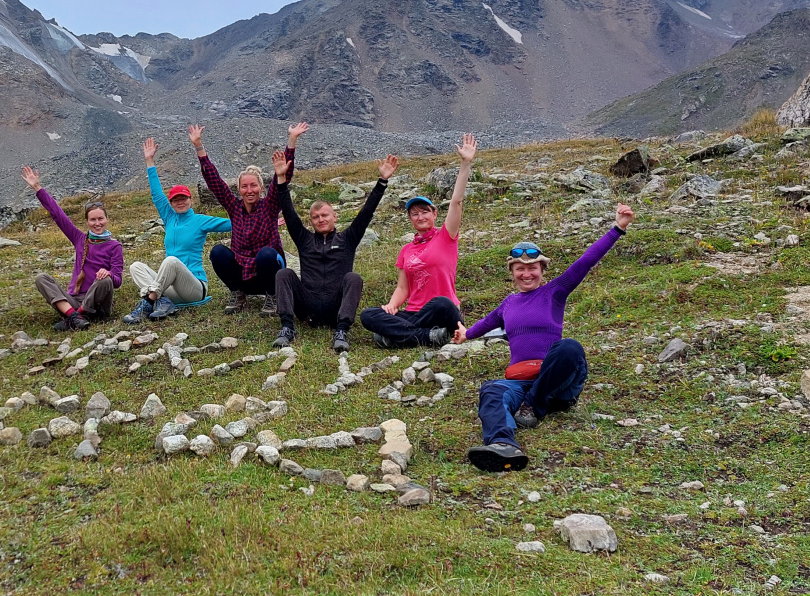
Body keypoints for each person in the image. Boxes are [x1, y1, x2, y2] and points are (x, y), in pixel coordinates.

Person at [461, 203, 635, 472]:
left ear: (542, 270)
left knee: (569, 348)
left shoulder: (555, 291)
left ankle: (533, 406)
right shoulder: (508, 304)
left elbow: (585, 262)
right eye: (519, 269)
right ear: (512, 273)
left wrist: (618, 228)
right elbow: (485, 324)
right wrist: (465, 334)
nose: (526, 274)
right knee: (492, 389)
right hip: (522, 383)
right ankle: (503, 445)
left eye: (532, 268)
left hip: (557, 385)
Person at [269, 147, 396, 352]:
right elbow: (289, 213)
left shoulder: (348, 239)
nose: (321, 220)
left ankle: (342, 331)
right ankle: (287, 328)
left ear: (334, 217)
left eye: (325, 215)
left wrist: (382, 182)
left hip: (337, 307)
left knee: (353, 278)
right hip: (307, 307)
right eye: (315, 217)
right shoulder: (304, 239)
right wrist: (281, 179)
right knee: (284, 273)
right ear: (311, 221)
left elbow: (366, 213)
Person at [358, 134, 477, 348]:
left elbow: (456, 202)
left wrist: (465, 163)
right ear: (410, 219)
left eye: (425, 212)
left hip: (440, 311)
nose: (420, 217)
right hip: (413, 313)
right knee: (369, 315)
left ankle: (395, 336)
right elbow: (403, 288)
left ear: (434, 214)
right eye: (415, 214)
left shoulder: (446, 237)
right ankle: (427, 336)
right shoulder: (406, 250)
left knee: (442, 303)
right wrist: (392, 306)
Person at [195, 122, 305, 315]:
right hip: (244, 274)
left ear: (261, 188)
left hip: (269, 273)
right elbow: (214, 182)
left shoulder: (270, 205)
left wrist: (292, 140)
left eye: (253, 185)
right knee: (218, 252)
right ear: (239, 189)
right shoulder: (233, 207)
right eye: (244, 186)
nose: (249, 190)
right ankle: (238, 294)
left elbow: (283, 176)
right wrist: (198, 146)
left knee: (266, 254)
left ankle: (273, 296)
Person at [123, 136, 233, 323]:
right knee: (136, 267)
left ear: (191, 200)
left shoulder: (200, 220)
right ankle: (164, 301)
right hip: (171, 288)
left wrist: (265, 218)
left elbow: (234, 223)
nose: (180, 202)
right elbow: (157, 193)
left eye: (183, 198)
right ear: (171, 203)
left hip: (194, 288)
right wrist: (149, 160)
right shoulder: (169, 217)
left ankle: (148, 303)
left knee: (171, 261)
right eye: (175, 200)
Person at [21, 166, 123, 332]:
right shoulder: (79, 239)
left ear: (107, 219)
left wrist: (109, 273)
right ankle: (75, 316)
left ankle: (75, 317)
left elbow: (117, 281)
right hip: (74, 300)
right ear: (87, 222)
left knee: (105, 280)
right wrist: (38, 188)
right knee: (42, 278)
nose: (97, 223)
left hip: (99, 306)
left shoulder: (115, 246)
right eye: (93, 220)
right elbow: (58, 215)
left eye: (100, 219)